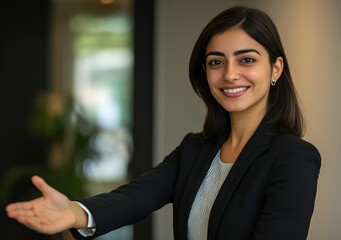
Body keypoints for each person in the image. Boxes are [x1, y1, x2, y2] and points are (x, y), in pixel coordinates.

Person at [6, 6, 321, 240]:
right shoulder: (195, 149)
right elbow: (136, 197)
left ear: (276, 68)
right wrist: (74, 212)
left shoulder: (293, 157)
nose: (230, 74)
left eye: (247, 59)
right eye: (216, 62)